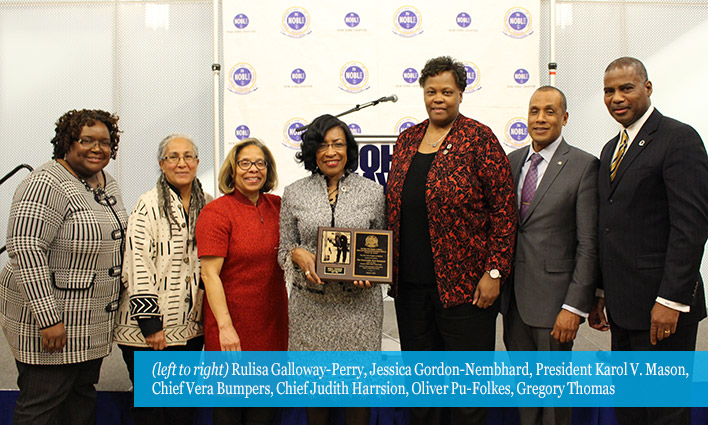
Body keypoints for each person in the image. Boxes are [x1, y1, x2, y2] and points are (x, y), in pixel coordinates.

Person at [386, 56, 517, 425]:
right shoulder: (407, 139)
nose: (438, 98)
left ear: (461, 93)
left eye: (447, 91)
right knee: (422, 389)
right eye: (431, 91)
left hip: (465, 289)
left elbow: (504, 212)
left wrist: (494, 271)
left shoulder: (479, 138)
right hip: (411, 289)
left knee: (467, 393)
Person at [589, 57, 708, 425]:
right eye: (609, 90)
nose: (616, 97)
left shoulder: (678, 138)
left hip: (662, 310)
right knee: (630, 411)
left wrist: (671, 300)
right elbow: (611, 228)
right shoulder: (611, 148)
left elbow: (691, 226)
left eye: (626, 88)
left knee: (663, 414)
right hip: (623, 310)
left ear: (648, 88)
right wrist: (601, 294)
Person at [0, 109, 127, 425]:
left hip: (90, 325)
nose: (97, 148)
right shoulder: (45, 183)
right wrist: (48, 319)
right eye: (87, 140)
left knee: (80, 400)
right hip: (54, 326)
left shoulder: (106, 182)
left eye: (105, 142)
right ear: (66, 142)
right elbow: (26, 249)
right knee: (42, 405)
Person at [501, 86, 599, 425]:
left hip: (556, 305)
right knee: (527, 399)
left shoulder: (584, 166)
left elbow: (588, 244)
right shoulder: (511, 162)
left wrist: (574, 307)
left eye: (549, 111)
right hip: (513, 302)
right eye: (534, 111)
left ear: (565, 118)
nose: (540, 118)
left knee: (555, 404)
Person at [278, 114, 385, 425]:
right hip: (310, 309)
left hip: (359, 309)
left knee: (357, 402)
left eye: (338, 144)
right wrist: (297, 254)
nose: (331, 152)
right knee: (317, 403)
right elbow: (284, 249)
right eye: (323, 145)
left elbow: (382, 247)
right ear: (312, 151)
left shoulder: (373, 192)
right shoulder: (294, 192)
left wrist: (373, 270)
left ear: (348, 150)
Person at [114, 134, 212, 425]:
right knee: (153, 410)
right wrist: (150, 324)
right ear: (161, 163)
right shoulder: (146, 205)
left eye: (187, 156)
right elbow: (137, 264)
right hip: (149, 332)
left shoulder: (207, 203)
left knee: (181, 410)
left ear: (196, 162)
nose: (181, 163)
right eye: (173, 157)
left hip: (189, 329)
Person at [196, 138, 287, 425]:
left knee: (265, 414)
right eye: (244, 163)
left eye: (260, 163)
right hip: (231, 329)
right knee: (230, 412)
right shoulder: (216, 212)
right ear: (232, 170)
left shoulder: (279, 207)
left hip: (272, 326)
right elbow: (209, 275)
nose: (253, 169)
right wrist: (225, 328)